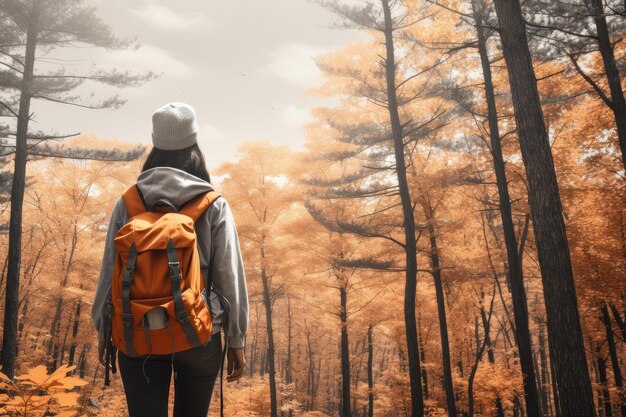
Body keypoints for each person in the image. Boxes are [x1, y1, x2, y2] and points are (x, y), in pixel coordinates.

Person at [91, 102, 248, 417]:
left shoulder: (129, 201)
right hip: (198, 333)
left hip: (136, 329)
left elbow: (110, 270)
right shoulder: (213, 204)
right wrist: (235, 338)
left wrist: (104, 329)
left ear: (155, 142)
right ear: (194, 140)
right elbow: (229, 275)